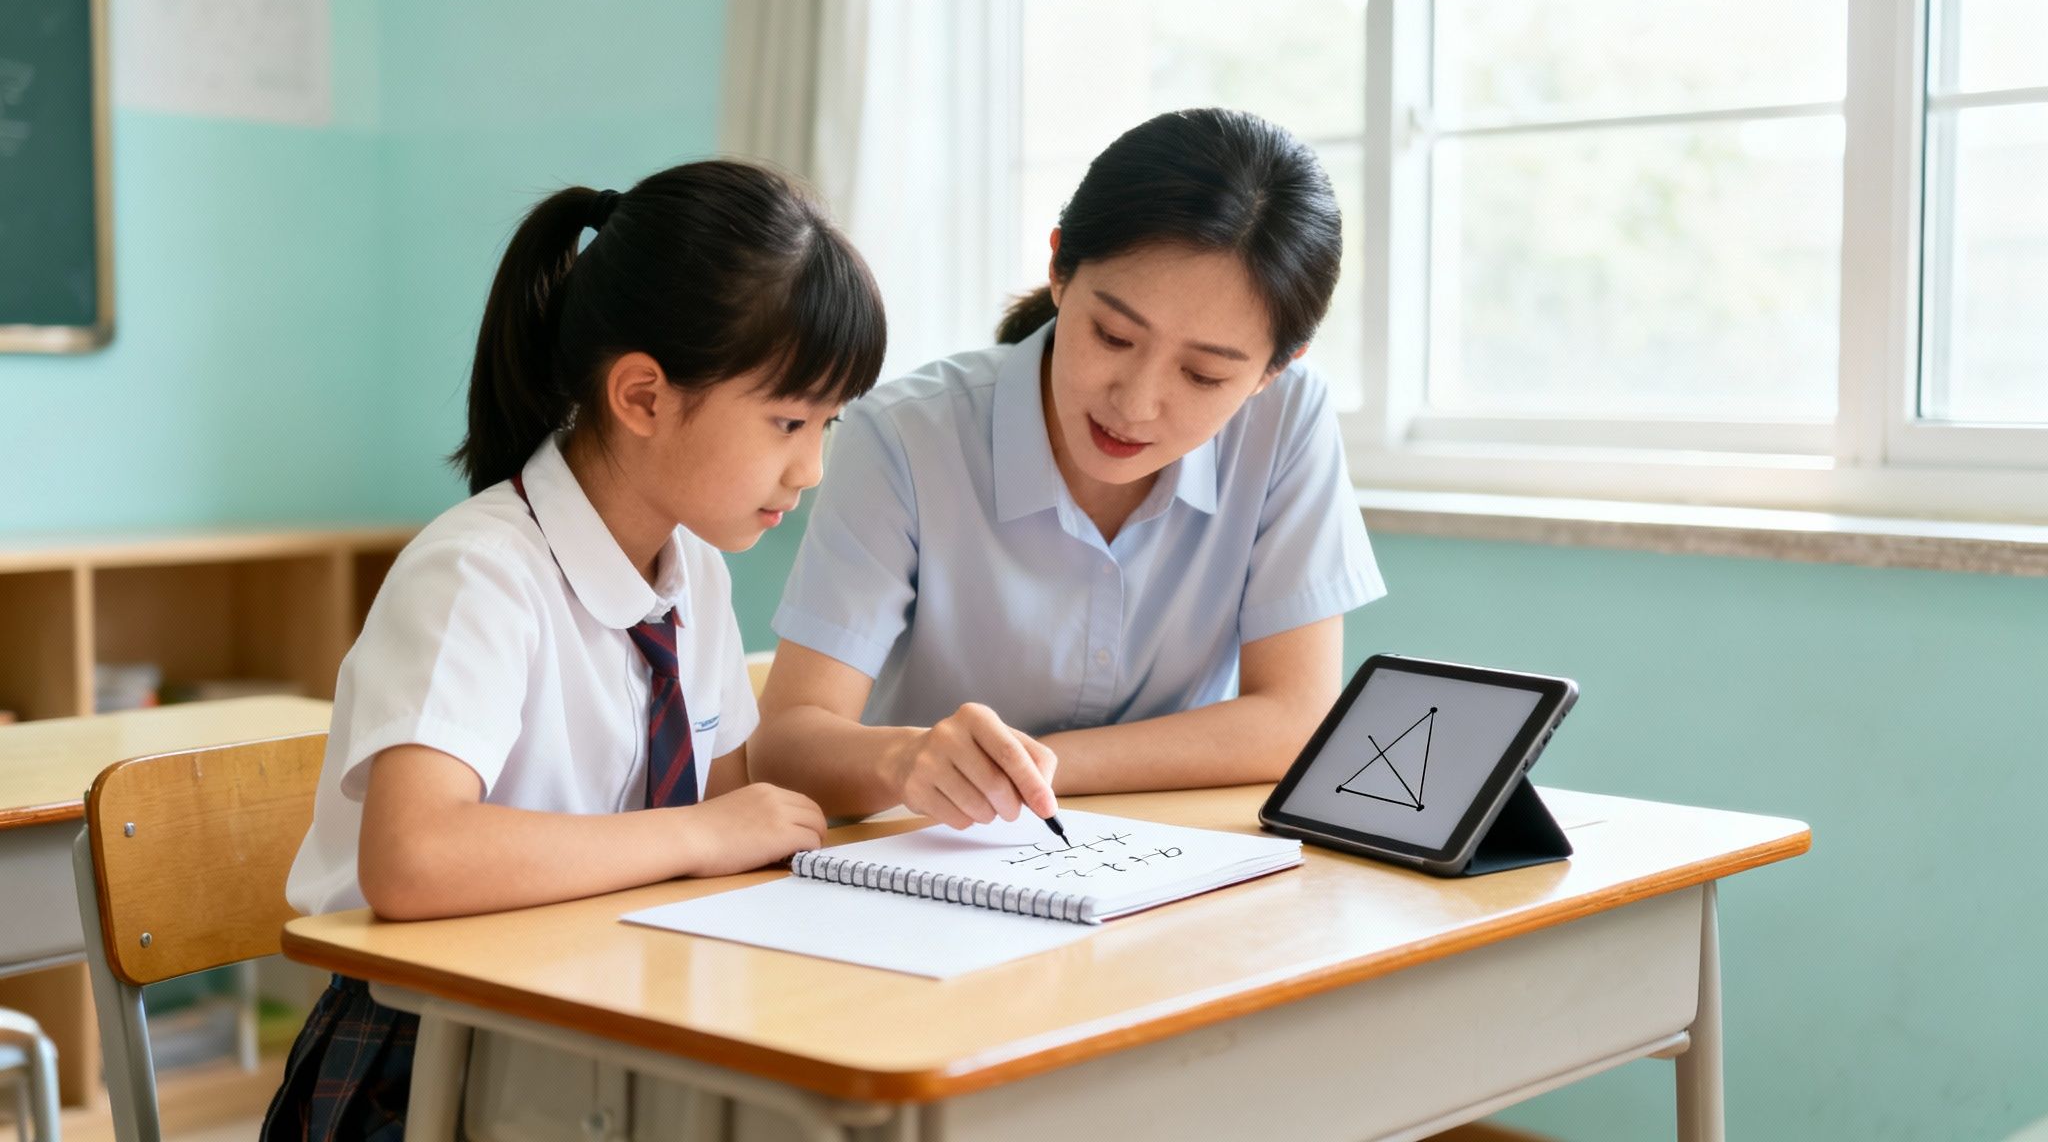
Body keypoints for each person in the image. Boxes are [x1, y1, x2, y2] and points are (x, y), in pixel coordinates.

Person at [263, 159, 886, 1141]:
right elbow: (413, 860)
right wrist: (695, 838)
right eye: (786, 422)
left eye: (829, 425)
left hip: (609, 1006)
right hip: (430, 1056)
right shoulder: (479, 574)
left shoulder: (695, 574)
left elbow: (729, 821)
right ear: (641, 396)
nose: (810, 468)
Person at [752, 108, 1384, 830]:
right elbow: (787, 745)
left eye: (1205, 376)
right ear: (1058, 268)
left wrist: (1030, 769)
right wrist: (909, 762)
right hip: (934, 863)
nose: (1137, 404)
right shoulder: (904, 435)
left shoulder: (1288, 421)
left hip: (1175, 861)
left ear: (1276, 369)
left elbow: (1295, 720)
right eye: (1113, 335)